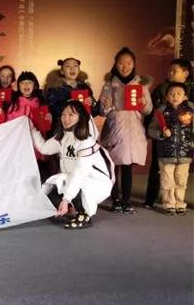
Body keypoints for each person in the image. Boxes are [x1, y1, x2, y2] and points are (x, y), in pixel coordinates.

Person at [30, 101, 114, 229]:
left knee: (74, 185)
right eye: (63, 115)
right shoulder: (64, 136)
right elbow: (44, 148)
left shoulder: (85, 141)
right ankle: (71, 207)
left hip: (94, 180)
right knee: (51, 199)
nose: (66, 118)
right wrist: (32, 129)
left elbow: (80, 173)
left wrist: (66, 199)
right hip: (73, 177)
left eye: (71, 115)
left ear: (80, 117)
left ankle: (84, 215)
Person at [99, 47, 153, 213]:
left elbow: (148, 110)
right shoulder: (109, 85)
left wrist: (144, 103)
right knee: (113, 167)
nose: (125, 66)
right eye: (121, 63)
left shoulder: (141, 85)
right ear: (115, 64)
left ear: (134, 64)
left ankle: (126, 201)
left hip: (133, 131)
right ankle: (115, 200)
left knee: (128, 166)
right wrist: (106, 106)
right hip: (115, 129)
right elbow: (101, 111)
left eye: (129, 63)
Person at [143, 58, 192, 209]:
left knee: (182, 175)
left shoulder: (191, 91)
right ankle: (151, 199)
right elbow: (152, 112)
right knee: (158, 169)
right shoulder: (160, 89)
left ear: (185, 73)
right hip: (164, 138)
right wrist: (154, 132)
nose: (170, 73)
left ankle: (179, 201)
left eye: (174, 71)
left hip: (185, 141)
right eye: (169, 70)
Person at [44, 57, 97, 133]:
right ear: (62, 71)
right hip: (60, 129)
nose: (72, 69)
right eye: (68, 66)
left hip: (81, 129)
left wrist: (92, 103)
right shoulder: (54, 88)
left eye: (75, 66)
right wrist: (70, 104)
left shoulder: (84, 87)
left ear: (79, 70)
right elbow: (51, 110)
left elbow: (93, 113)